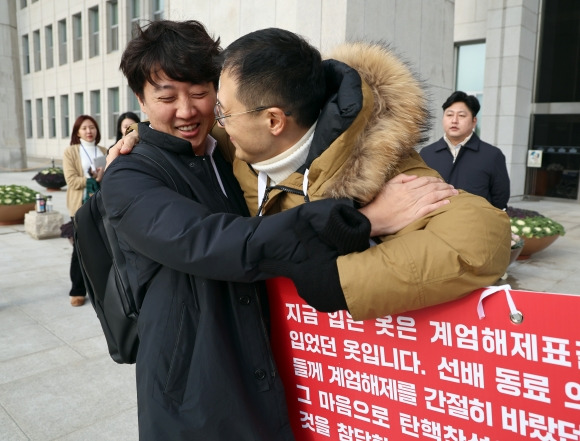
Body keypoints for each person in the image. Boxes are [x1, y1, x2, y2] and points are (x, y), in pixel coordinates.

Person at [101, 20, 444, 441]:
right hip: (191, 382)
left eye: (200, 93)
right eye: (166, 97)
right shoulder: (129, 175)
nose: (187, 111)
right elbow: (210, 241)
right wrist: (365, 219)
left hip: (262, 356)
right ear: (140, 98)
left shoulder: (231, 152)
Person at [115, 28, 511, 321]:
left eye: (218, 108)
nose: (203, 116)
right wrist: (142, 136)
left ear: (273, 120)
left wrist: (335, 280)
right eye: (167, 99)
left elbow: (481, 238)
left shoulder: (376, 159)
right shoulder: (233, 145)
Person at [420, 90, 511, 209]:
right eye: (449, 115)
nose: (454, 120)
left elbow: (500, 199)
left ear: (474, 122)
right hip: (433, 224)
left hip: (474, 224)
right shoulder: (426, 154)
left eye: (462, 115)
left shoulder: (492, 155)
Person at [62, 115, 106, 307]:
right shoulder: (71, 152)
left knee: (102, 247)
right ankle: (77, 290)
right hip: (80, 206)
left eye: (92, 127)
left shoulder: (104, 151)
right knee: (79, 249)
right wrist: (94, 179)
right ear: (77, 132)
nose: (89, 131)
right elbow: (71, 180)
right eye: (84, 128)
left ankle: (102, 289)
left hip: (101, 205)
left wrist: (103, 177)